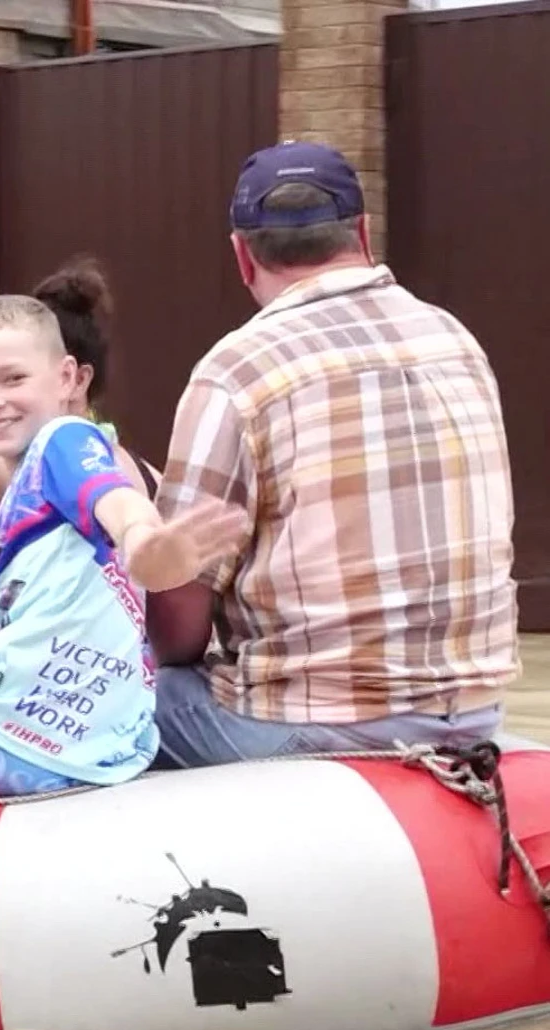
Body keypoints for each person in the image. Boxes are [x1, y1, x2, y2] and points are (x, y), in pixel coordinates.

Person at [148, 141, 516, 766]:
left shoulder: (236, 372)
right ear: (364, 234)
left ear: (242, 255)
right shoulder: (457, 340)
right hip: (475, 709)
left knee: (115, 701)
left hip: (316, 722)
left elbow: (178, 631)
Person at [0, 295, 246, 796]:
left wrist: (143, 542)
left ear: (69, 379)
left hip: (3, 751)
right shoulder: (34, 506)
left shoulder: (65, 440)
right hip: (104, 756)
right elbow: (3, 668)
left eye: (13, 379)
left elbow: (115, 500)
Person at [0, 259, 158, 597]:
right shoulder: (143, 472)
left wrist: (137, 530)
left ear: (71, 377)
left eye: (14, 378)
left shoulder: (5, 457)